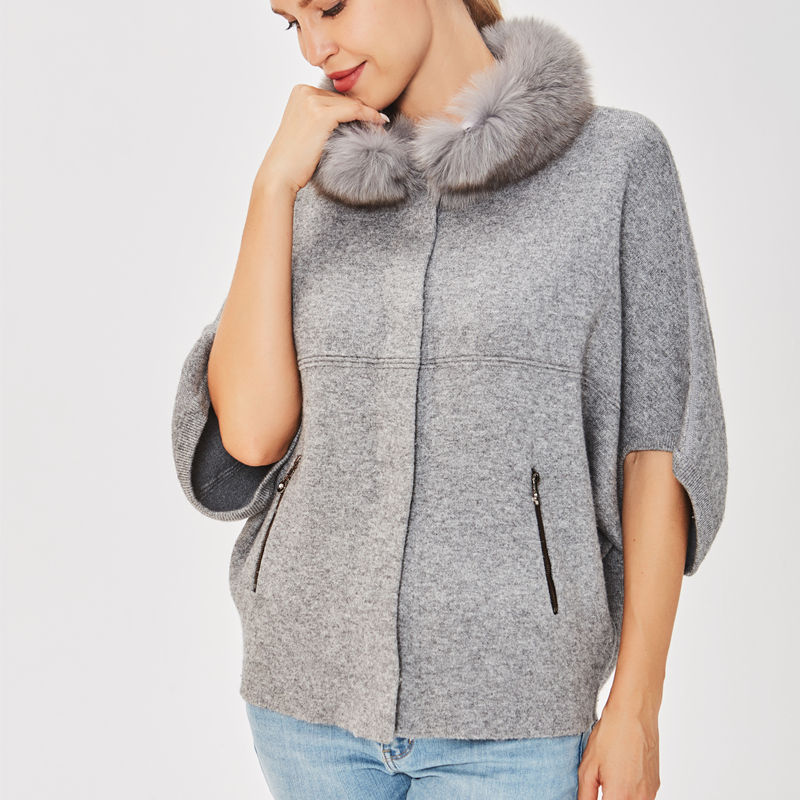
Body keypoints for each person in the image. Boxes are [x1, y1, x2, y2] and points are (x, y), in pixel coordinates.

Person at [171, 1, 728, 798]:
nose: (315, 47)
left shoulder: (614, 165)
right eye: (291, 21)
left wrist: (637, 706)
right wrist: (272, 188)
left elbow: (656, 443)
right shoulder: (310, 173)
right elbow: (252, 436)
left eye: (330, 6)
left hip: (513, 720)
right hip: (304, 705)